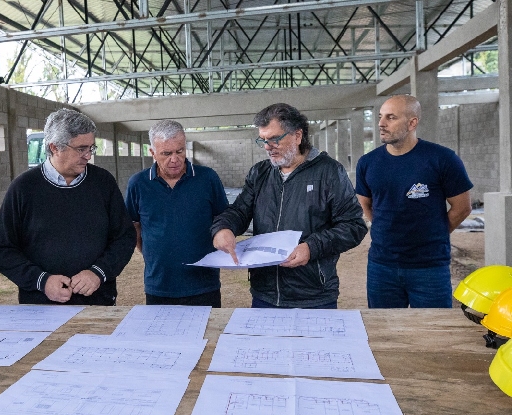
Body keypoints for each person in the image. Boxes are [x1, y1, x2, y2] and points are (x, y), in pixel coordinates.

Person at [211, 103, 367, 309]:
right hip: (265, 293)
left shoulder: (329, 172)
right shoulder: (260, 173)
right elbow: (239, 211)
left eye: (274, 139)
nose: (267, 146)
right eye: (263, 140)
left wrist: (311, 247)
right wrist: (223, 228)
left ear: (297, 135)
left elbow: (354, 226)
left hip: (314, 295)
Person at [0, 108, 135, 305]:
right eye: (81, 149)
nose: (88, 156)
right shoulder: (23, 188)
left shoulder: (103, 183)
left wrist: (98, 273)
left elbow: (124, 237)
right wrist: (42, 281)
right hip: (40, 306)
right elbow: (3, 251)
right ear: (54, 147)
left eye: (91, 148)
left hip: (98, 303)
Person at [355, 95, 473, 308]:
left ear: (412, 123)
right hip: (382, 267)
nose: (381, 123)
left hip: (429, 267)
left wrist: (435, 234)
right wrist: (386, 230)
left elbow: (462, 207)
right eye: (380, 116)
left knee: (432, 326)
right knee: (385, 327)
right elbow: (365, 204)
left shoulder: (443, 159)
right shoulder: (368, 163)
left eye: (391, 117)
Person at [124, 120, 229, 307]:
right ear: (152, 152)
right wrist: (152, 253)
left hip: (204, 285)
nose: (174, 159)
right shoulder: (138, 183)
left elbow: (224, 218)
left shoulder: (208, 178)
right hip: (159, 285)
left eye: (179, 151)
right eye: (166, 153)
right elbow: (134, 226)